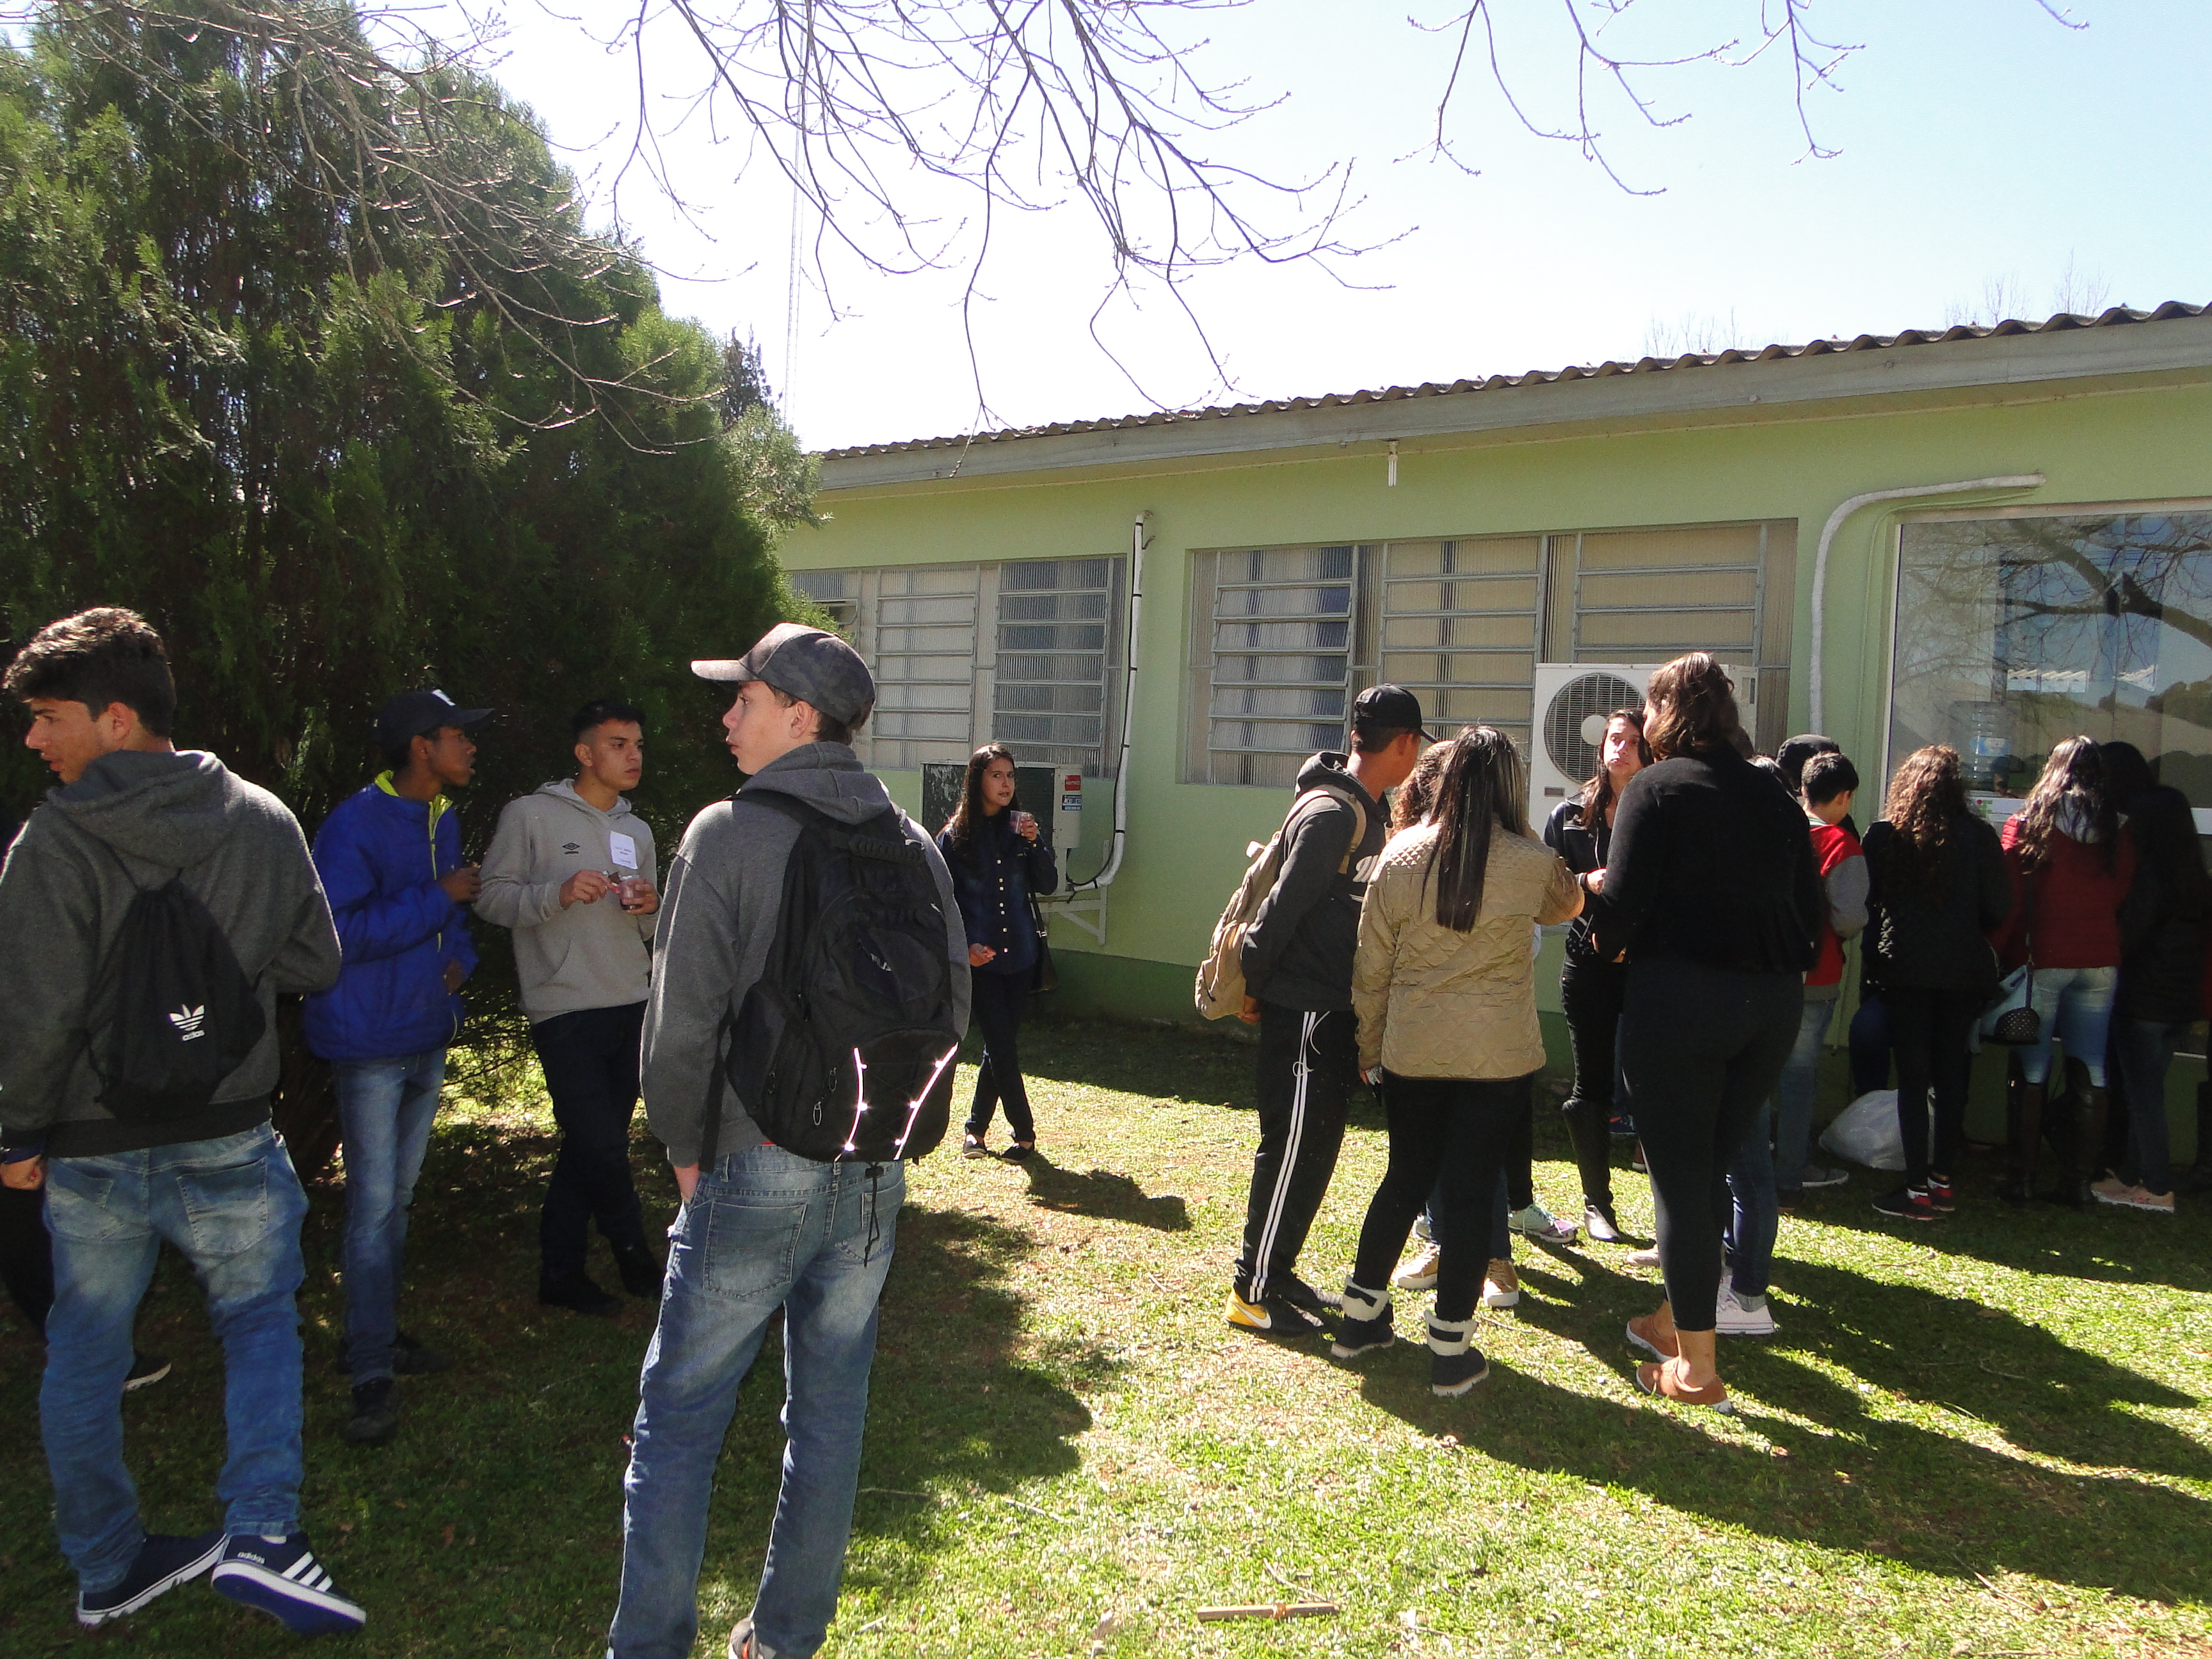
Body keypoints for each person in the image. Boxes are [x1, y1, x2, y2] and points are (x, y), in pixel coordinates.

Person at [608, 623, 970, 1659]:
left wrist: (685, 1150)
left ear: (801, 716)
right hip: (874, 1167)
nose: (728, 717)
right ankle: (785, 1639)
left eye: (747, 699)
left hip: (751, 1157)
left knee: (679, 1418)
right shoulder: (913, 842)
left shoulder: (727, 833)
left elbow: (679, 1025)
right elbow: (955, 1004)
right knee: (829, 1417)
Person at [0, 609, 362, 1633]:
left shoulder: (53, 840)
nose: (33, 738)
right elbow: (317, 961)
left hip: (93, 1148)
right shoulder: (261, 818)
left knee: (85, 1352)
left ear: (116, 718)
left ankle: (109, 1565)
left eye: (49, 717)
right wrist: (224, 973)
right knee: (259, 1323)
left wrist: (16, 1133)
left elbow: (33, 1010)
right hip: (228, 1130)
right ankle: (264, 1534)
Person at [1334, 727, 1582, 1396]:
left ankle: (1359, 1320)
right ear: (1509, 788)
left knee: (1404, 1179)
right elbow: (1570, 902)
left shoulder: (1400, 853)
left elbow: (1371, 966)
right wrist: (1521, 831)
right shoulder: (1530, 860)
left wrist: (1369, 1046)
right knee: (1472, 1195)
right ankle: (1450, 1350)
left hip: (1413, 1048)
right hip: (1497, 1056)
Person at [1606, 653, 1821, 1410]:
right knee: (1710, 1170)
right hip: (1771, 1006)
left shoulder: (1656, 789)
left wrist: (1602, 929)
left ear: (1668, 712)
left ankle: (1695, 1371)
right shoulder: (1775, 795)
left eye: (1649, 708)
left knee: (1680, 1180)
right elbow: (1811, 915)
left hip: (1680, 1003)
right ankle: (1675, 1318)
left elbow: (1620, 911)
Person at [305, 687, 486, 1445]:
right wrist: (437, 897)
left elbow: (454, 921)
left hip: (423, 1033)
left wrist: (461, 962)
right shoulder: (355, 824)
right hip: (371, 1042)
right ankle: (371, 1372)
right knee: (374, 1211)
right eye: (457, 735)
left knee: (395, 1204)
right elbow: (336, 934)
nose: (470, 747)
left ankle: (371, 1333)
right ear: (421, 746)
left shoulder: (443, 817)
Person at [1226, 684, 1427, 1336]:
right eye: (1418, 745)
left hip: (1334, 1009)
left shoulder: (1370, 808)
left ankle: (1277, 1271)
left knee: (1316, 1149)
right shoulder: (1334, 813)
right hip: (1305, 1009)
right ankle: (1253, 1290)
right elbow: (1276, 913)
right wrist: (1257, 986)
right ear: (1404, 743)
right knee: (1292, 1148)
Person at [477, 699, 663, 1316]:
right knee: (602, 1145)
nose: (633, 756)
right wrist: (555, 894)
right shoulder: (529, 815)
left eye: (638, 745)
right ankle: (635, 1256)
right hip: (564, 1006)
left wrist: (651, 906)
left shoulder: (637, 831)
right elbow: (492, 898)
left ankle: (560, 1273)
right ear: (584, 753)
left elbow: (649, 926)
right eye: (618, 744)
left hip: (631, 1000)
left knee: (591, 1145)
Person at [1858, 746, 2011, 1222]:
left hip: (1906, 968)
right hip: (1962, 971)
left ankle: (1916, 1187)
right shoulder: (1979, 836)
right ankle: (1943, 1179)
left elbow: (1868, 901)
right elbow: (1998, 907)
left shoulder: (1886, 836)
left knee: (1913, 1077)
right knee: (1950, 1076)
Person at [1993, 735, 2136, 1208]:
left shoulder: (2026, 824)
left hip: (2042, 958)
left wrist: (1999, 952)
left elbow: (2010, 900)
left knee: (2032, 1068)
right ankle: (2077, 1183)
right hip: (2100, 959)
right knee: (2091, 1066)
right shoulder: (2118, 829)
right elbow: (2119, 894)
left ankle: (2022, 1179)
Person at [1541, 705, 1649, 1242]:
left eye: (1632, 741)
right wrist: (1586, 882)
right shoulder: (1569, 815)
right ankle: (1596, 1204)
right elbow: (1543, 884)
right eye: (1613, 739)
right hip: (1588, 963)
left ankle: (1674, 1214)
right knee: (1592, 1087)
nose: (1620, 749)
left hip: (1650, 966)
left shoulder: (1659, 809)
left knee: (1654, 1085)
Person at [938, 743, 1059, 1159]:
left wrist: (1036, 842)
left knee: (1000, 1043)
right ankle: (1024, 1133)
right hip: (982, 960)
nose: (1006, 784)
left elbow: (1048, 883)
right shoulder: (955, 837)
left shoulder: (1020, 829)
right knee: (1002, 1045)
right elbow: (942, 902)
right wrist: (964, 946)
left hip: (1022, 955)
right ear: (978, 781)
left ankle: (975, 1130)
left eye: (1010, 776)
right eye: (996, 775)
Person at [2097, 785, 2207, 1214]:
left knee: (2142, 1097)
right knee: (2147, 1092)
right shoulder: (2197, 882)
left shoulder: (2150, 879)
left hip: (2144, 1000)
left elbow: (2128, 937)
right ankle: (2131, 1176)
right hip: (2180, 1003)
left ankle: (2157, 1186)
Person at [1772, 751, 1868, 1201]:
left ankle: (1751, 1160)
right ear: (1844, 796)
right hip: (1816, 973)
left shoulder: (1777, 831)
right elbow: (1848, 919)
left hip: (1767, 969)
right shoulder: (1842, 845)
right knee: (1799, 1076)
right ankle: (1792, 1168)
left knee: (1756, 1071)